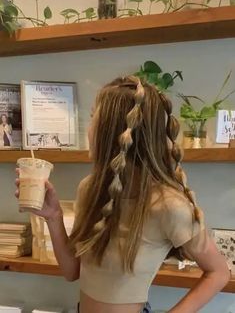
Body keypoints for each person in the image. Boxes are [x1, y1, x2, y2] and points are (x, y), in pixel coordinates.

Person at [15, 76, 230, 313]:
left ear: (111, 131)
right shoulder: (90, 189)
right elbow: (71, 271)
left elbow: (218, 272)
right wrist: (53, 217)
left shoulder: (168, 206)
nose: (88, 130)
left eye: (92, 118)